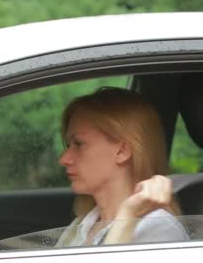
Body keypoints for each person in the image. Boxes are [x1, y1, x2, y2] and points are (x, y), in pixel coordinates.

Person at [55, 87, 189, 247]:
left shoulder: (158, 229)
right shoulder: (84, 223)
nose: (64, 159)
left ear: (121, 151)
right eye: (68, 145)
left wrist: (128, 217)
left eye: (78, 144)